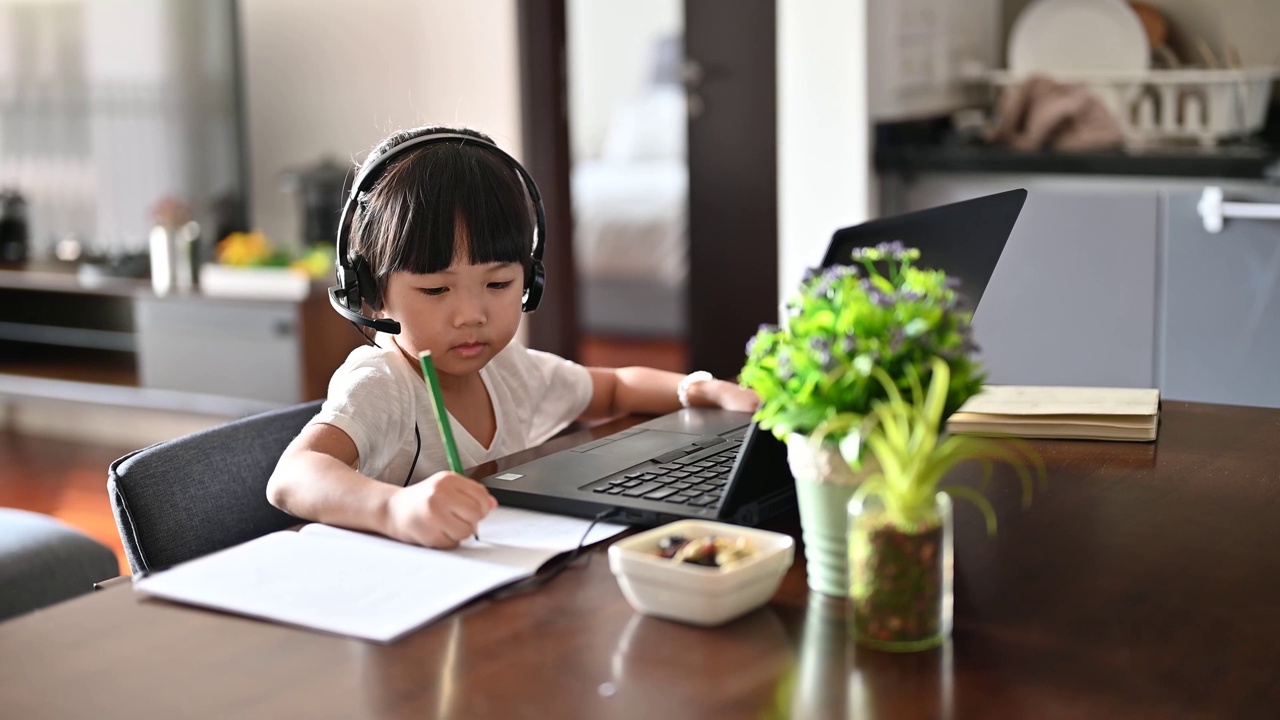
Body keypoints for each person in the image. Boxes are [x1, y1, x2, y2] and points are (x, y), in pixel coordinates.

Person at [266, 126, 758, 549]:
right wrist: (395, 509)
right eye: (436, 289)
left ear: (531, 280)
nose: (471, 315)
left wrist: (698, 389)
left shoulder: (506, 370)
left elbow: (611, 387)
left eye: (499, 284)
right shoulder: (383, 382)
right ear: (371, 292)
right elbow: (293, 476)